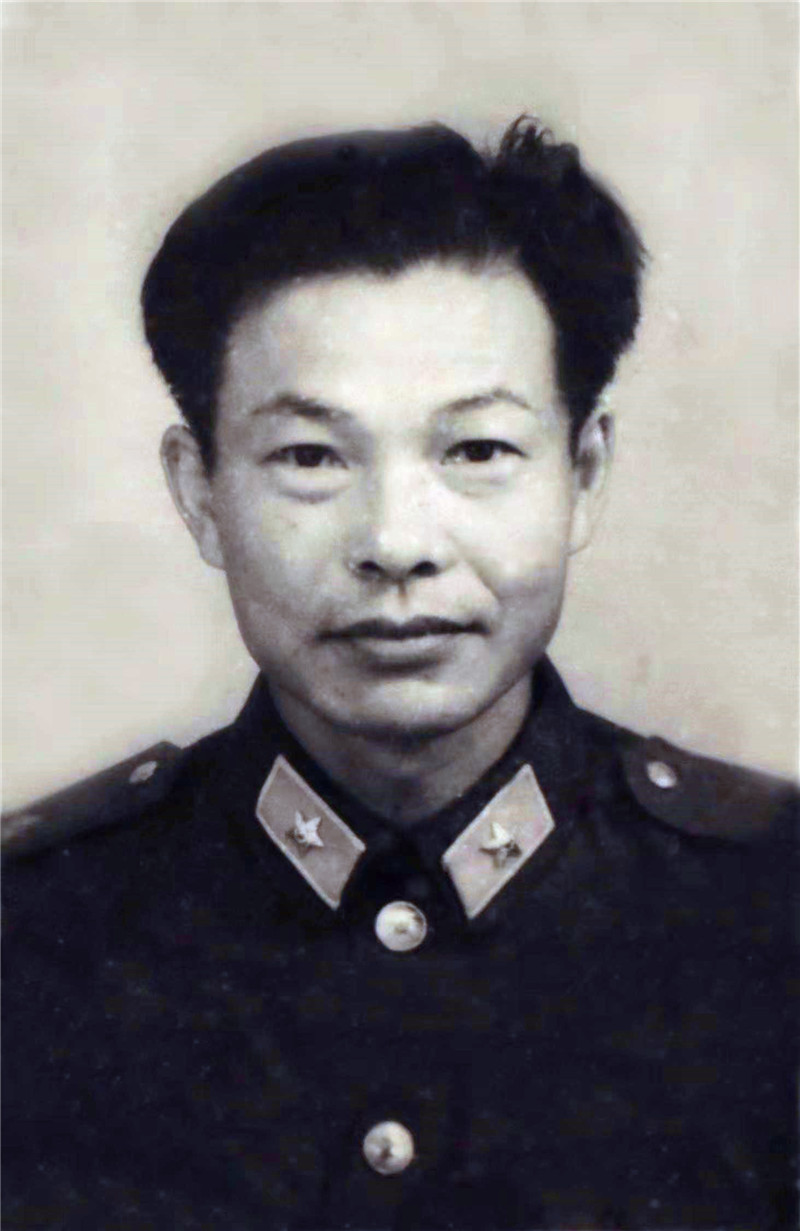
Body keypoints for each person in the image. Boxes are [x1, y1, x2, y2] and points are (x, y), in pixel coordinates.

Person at [3, 117, 796, 1231]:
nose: (395, 542)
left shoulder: (770, 907)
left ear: (583, 473)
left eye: (476, 450)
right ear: (199, 493)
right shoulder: (34, 932)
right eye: (310, 456)